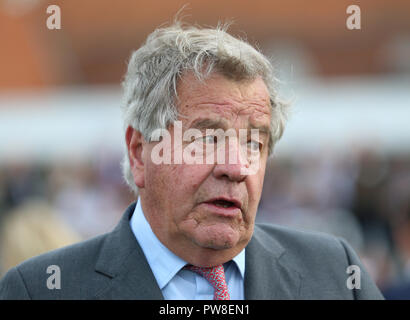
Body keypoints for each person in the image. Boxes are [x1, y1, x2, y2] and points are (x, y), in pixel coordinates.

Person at [0, 21, 383, 300]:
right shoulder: (41, 290)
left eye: (254, 143)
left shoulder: (335, 273)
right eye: (206, 138)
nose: (236, 168)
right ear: (138, 152)